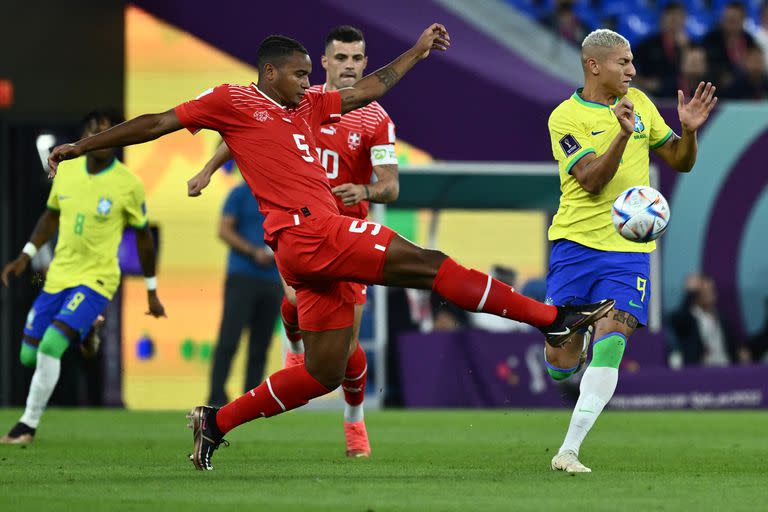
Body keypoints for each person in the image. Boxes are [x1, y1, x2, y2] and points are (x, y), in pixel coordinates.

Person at [47, 24, 614, 471]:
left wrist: (416, 52)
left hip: (309, 250)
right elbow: (156, 122)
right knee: (429, 264)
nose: (310, 83)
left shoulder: (308, 108)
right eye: (298, 75)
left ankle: (215, 422)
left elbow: (369, 88)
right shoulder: (232, 101)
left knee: (323, 371)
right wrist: (81, 147)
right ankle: (553, 321)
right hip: (311, 232)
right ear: (269, 72)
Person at [189, 25, 400, 458]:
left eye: (357, 59)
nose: (349, 66)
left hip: (350, 240)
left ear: (365, 63)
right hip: (301, 231)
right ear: (323, 62)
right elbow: (247, 127)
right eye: (340, 58)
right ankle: (297, 349)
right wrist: (209, 169)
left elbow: (391, 187)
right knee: (295, 296)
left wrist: (365, 192)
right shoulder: (300, 102)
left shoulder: (375, 119)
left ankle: (354, 419)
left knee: (345, 352)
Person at [544, 29, 717, 473]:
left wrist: (688, 132)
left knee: (613, 343)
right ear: (594, 65)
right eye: (623, 62)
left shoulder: (640, 104)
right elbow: (592, 181)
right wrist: (620, 136)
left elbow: (680, 159)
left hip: (627, 253)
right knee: (561, 363)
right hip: (575, 247)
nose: (633, 70)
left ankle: (569, 450)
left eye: (633, 61)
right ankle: (570, 349)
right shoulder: (565, 118)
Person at [0, 111, 166, 444]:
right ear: (84, 137)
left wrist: (151, 288)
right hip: (59, 276)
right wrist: (26, 255)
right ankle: (88, 330)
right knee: (28, 355)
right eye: (93, 131)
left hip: (97, 279)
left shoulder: (127, 184)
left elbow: (144, 237)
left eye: (107, 132)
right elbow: (51, 215)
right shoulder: (68, 171)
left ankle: (26, 426)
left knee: (50, 346)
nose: (100, 137)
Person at [206, 179, 283, 407]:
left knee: (261, 343)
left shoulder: (280, 196)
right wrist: (253, 251)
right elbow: (224, 229)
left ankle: (251, 401)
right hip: (242, 276)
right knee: (229, 339)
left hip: (273, 279)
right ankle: (216, 397)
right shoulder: (240, 193)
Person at [668, 274, 748, 366]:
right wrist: (689, 293)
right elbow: (677, 322)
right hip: (701, 372)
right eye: (705, 291)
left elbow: (733, 346)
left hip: (725, 368)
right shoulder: (687, 319)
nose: (710, 295)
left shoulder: (722, 319)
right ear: (696, 294)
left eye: (712, 290)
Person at [633, 1, 688, 98]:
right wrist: (644, 82)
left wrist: (685, 49)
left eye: (678, 17)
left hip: (682, 96)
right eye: (671, 16)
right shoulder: (647, 45)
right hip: (652, 97)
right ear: (662, 19)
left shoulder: (690, 46)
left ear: (684, 20)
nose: (674, 21)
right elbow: (628, 67)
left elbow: (694, 73)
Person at [702, 1, 758, 90]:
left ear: (743, 20)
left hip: (746, 89)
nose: (731, 24)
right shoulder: (711, 40)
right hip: (718, 88)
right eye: (729, 20)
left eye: (735, 20)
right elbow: (707, 66)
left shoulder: (749, 40)